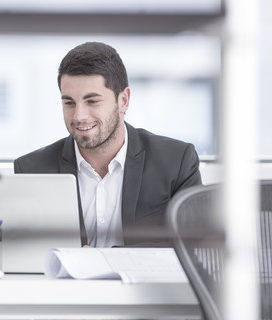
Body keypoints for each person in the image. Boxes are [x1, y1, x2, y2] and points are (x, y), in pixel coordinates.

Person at [14, 42, 202, 248]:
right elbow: (26, 254)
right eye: (69, 103)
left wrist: (105, 259)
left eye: (92, 101)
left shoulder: (176, 162)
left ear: (123, 100)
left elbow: (194, 248)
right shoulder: (33, 170)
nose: (79, 116)